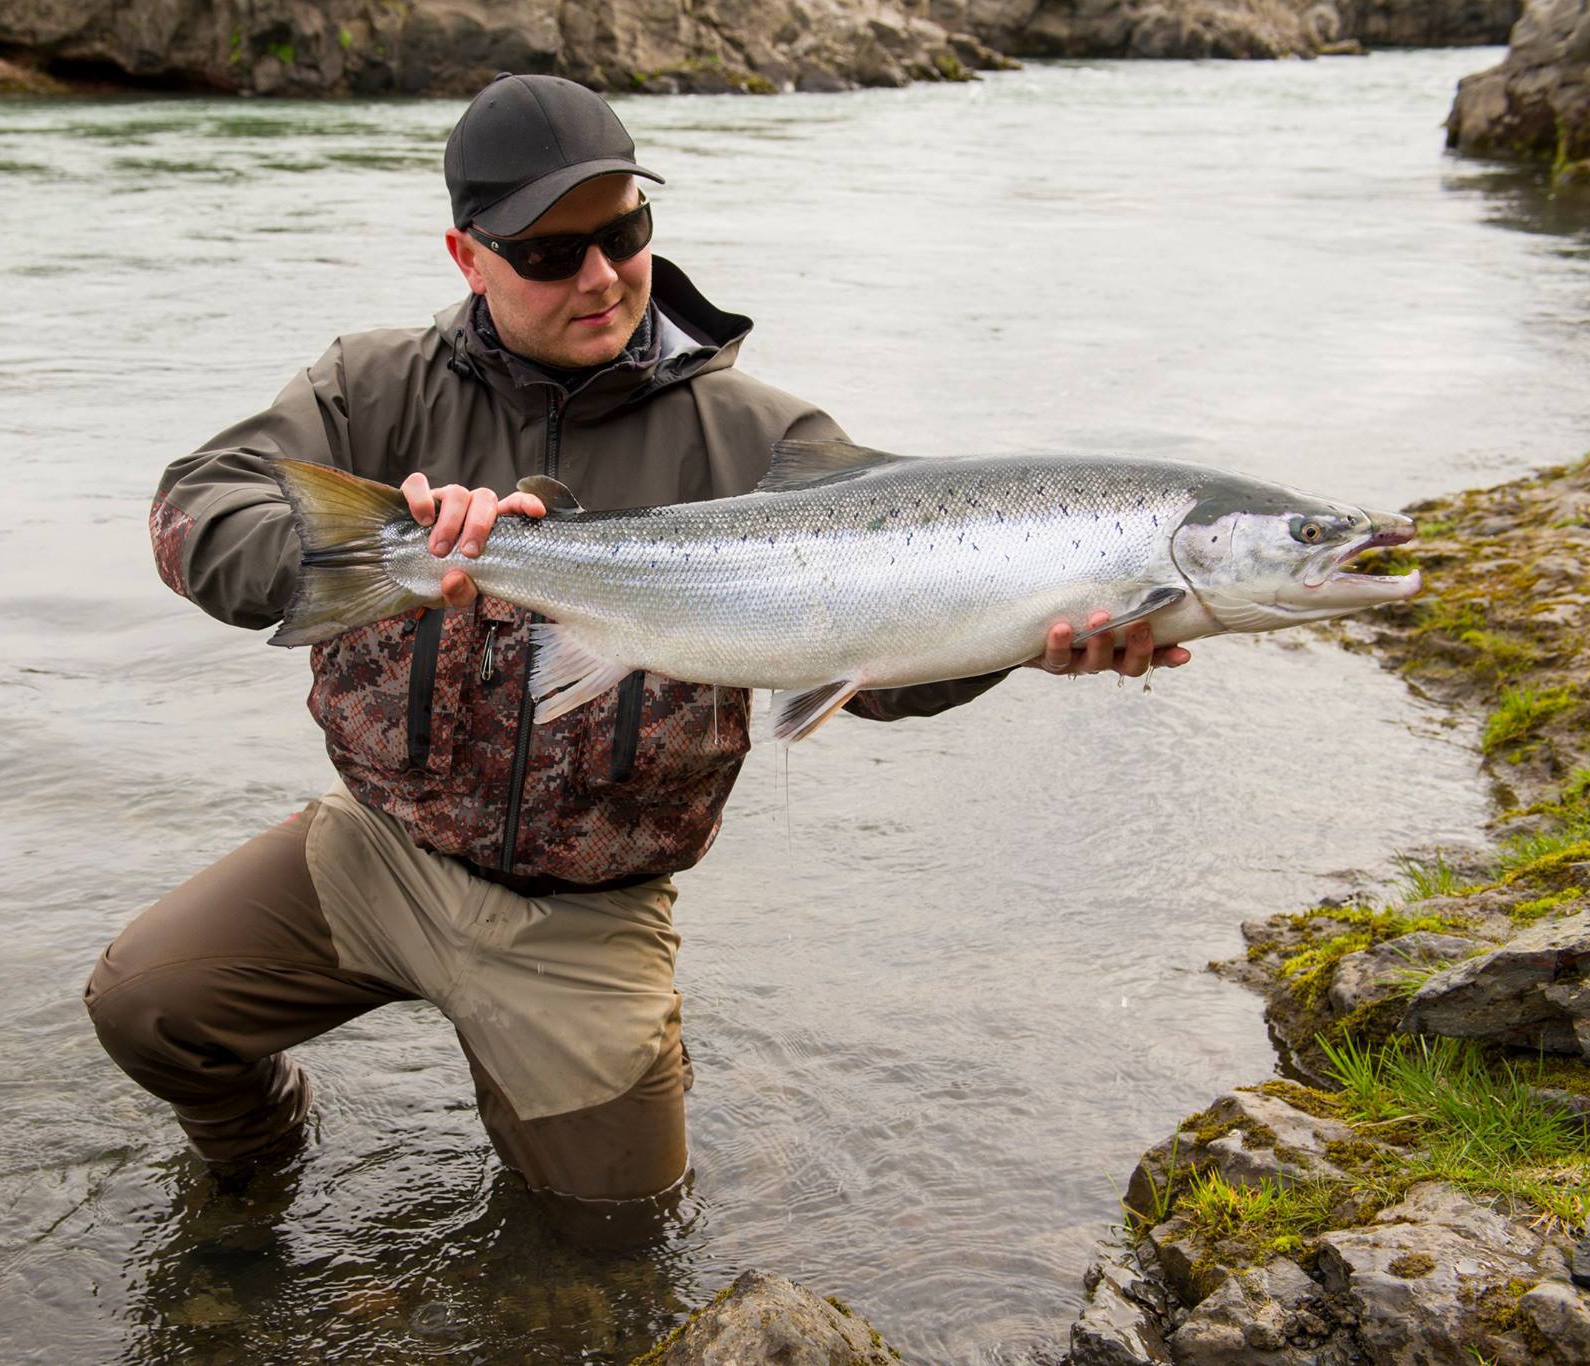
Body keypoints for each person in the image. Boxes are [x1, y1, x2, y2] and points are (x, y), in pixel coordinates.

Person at [85, 73, 1187, 1229]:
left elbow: (878, 674)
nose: (599, 276)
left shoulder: (767, 442)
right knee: (144, 1002)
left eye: (623, 234)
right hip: (380, 856)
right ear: (467, 257)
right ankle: (257, 1151)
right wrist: (366, 563)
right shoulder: (368, 387)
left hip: (588, 915)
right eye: (549, 254)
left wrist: (1020, 637)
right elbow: (190, 510)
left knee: (611, 1239)